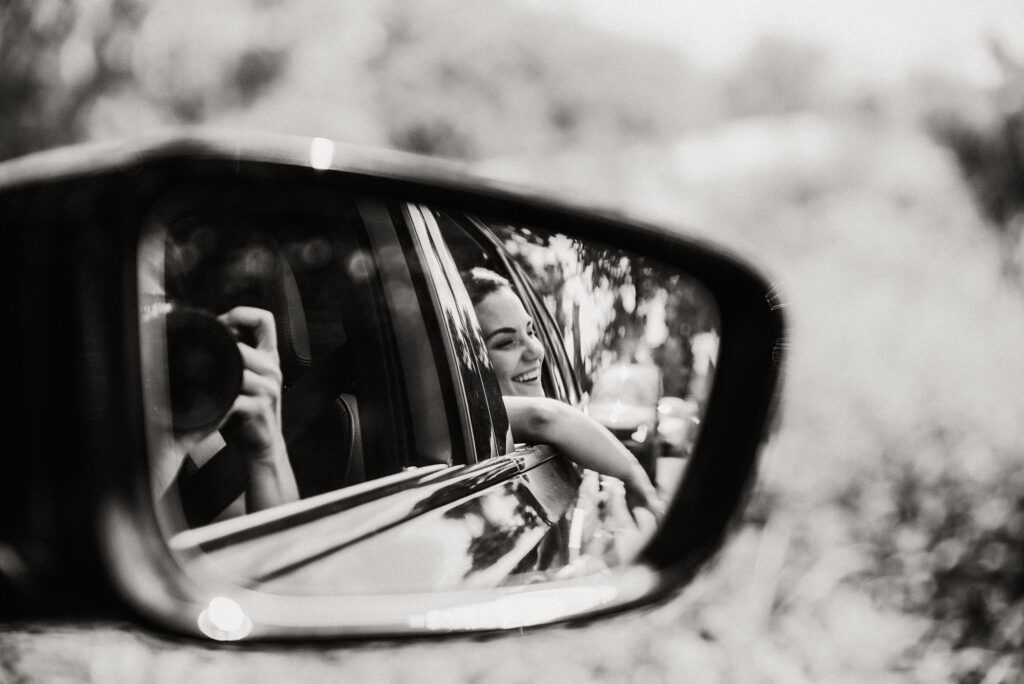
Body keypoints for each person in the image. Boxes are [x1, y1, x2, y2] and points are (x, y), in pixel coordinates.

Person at [463, 267, 662, 519]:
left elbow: (547, 417)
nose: (535, 351)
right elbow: (544, 417)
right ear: (467, 364)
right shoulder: (463, 413)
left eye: (531, 331)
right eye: (506, 342)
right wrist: (635, 478)